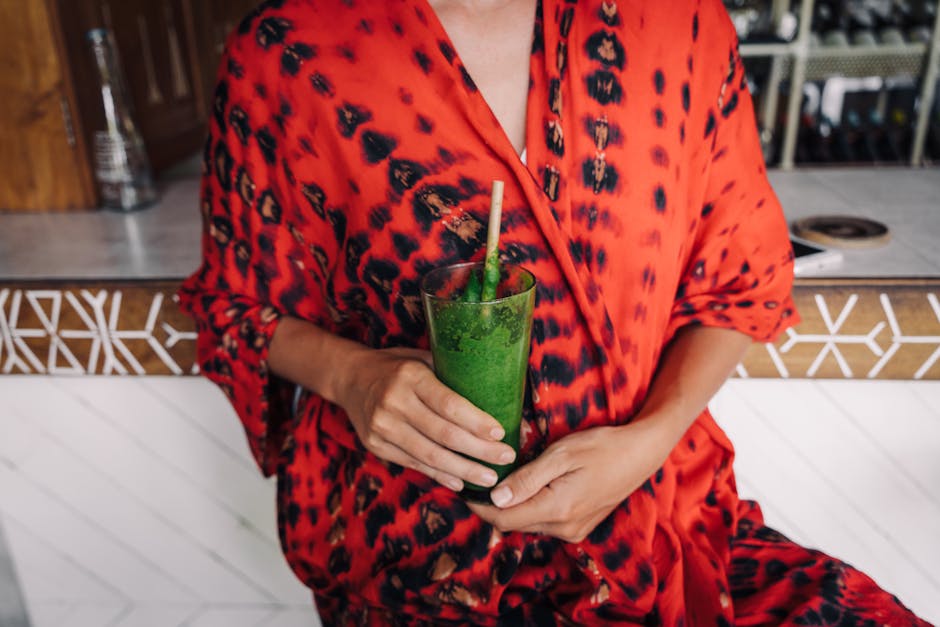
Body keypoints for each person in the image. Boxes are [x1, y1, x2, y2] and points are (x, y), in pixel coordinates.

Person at [179, 0, 928, 624]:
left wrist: (645, 444)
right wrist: (352, 375)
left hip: (660, 527)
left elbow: (742, 281)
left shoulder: (677, 27)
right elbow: (235, 308)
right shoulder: (291, 53)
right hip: (414, 556)